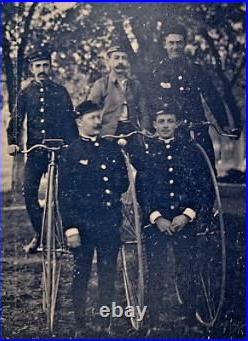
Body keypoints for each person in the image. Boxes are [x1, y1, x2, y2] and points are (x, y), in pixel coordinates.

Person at [132, 103, 213, 336]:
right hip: (156, 223)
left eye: (170, 120)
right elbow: (142, 189)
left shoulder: (190, 150)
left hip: (184, 221)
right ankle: (153, 321)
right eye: (161, 121)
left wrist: (187, 215)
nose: (165, 125)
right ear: (154, 125)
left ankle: (190, 319)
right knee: (155, 271)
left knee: (187, 270)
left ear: (177, 123)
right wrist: (156, 217)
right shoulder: (147, 153)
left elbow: (201, 185)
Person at [58, 100, 129, 337]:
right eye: (92, 118)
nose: (98, 121)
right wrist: (71, 229)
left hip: (108, 223)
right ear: (79, 121)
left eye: (99, 117)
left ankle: (104, 323)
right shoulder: (70, 152)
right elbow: (65, 195)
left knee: (108, 274)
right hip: (83, 226)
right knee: (81, 274)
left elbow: (122, 183)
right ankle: (80, 324)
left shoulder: (111, 149)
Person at [6, 48, 78, 253]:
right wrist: (13, 142)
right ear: (31, 69)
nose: (42, 70)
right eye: (38, 66)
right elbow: (16, 120)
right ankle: (41, 233)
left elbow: (70, 122)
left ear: (50, 66)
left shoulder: (60, 91)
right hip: (37, 151)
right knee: (28, 192)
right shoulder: (25, 93)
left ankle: (69, 233)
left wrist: (74, 147)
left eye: (45, 65)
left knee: (66, 193)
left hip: (61, 150)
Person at [147, 23, 241, 167]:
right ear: (165, 45)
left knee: (206, 168)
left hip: (197, 127)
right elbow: (151, 101)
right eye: (171, 43)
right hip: (171, 131)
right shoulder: (157, 71)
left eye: (179, 42)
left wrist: (224, 124)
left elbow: (212, 96)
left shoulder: (195, 69)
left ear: (184, 44)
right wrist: (151, 128)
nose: (175, 47)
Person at [88, 45, 151, 137]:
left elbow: (143, 111)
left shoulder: (135, 84)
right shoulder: (101, 84)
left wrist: (144, 128)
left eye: (124, 58)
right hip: (108, 133)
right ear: (109, 61)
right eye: (116, 58)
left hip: (131, 130)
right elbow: (90, 110)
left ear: (128, 62)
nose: (120, 62)